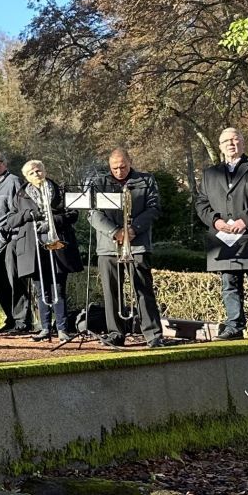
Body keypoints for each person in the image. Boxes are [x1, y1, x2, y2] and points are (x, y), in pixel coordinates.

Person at [194, 126, 248, 341]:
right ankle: (234, 326)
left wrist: (245, 220)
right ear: (220, 147)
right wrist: (216, 221)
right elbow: (201, 203)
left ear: (242, 142)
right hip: (223, 238)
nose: (231, 144)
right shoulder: (209, 174)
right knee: (229, 284)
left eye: (235, 139)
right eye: (226, 141)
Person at [88, 146, 164, 349]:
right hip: (109, 246)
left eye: (122, 167)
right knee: (111, 291)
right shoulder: (99, 183)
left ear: (130, 162)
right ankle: (116, 333)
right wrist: (115, 232)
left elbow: (154, 208)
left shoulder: (146, 180)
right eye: (114, 168)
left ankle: (153, 334)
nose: (119, 171)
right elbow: (93, 213)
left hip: (137, 244)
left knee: (143, 289)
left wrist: (133, 229)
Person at [16, 159, 81, 342]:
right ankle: (44, 328)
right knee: (41, 289)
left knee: (58, 288)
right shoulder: (21, 195)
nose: (36, 174)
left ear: (44, 171)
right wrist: (29, 216)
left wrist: (54, 221)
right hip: (35, 246)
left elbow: (73, 214)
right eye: (31, 173)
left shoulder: (59, 190)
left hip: (57, 242)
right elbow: (12, 219)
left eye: (38, 170)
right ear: (26, 177)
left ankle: (62, 328)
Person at [0, 149, 35, 335]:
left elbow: (18, 211)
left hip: (10, 240)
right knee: (1, 285)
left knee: (15, 281)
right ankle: (10, 319)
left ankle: (22, 321)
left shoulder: (13, 182)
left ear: (3, 164)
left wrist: (8, 232)